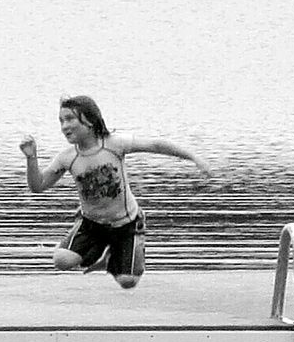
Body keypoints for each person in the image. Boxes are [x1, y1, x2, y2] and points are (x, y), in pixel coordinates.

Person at [20, 95, 210, 289]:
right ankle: (96, 253)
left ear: (90, 120)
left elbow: (156, 145)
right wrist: (31, 158)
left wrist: (193, 157)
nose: (64, 126)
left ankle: (115, 255)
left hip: (126, 224)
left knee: (127, 281)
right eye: (61, 121)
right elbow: (38, 186)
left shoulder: (114, 144)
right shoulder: (67, 158)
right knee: (61, 260)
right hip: (91, 225)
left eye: (70, 119)